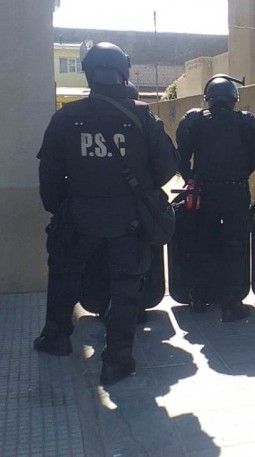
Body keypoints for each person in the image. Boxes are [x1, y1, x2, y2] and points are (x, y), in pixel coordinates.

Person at [34, 42, 178, 385]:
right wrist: (137, 187)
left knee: (65, 277)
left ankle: (56, 337)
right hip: (128, 220)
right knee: (126, 290)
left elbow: (50, 176)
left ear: (89, 73)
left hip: (79, 215)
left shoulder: (66, 117)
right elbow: (167, 167)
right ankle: (116, 360)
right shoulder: (143, 117)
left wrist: (63, 208)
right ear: (123, 72)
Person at [175, 74, 255, 322]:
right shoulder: (246, 123)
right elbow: (251, 156)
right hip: (235, 191)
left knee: (202, 243)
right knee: (235, 247)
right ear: (234, 99)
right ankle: (231, 303)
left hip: (205, 192)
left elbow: (181, 157)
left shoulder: (194, 121)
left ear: (208, 99)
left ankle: (198, 297)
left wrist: (191, 178)